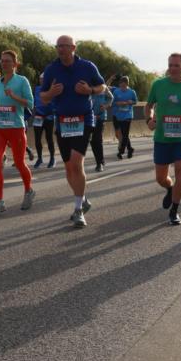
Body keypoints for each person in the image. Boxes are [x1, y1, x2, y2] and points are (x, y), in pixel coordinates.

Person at [39, 35, 105, 228]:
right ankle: (82, 198)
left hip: (84, 120)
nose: (61, 49)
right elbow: (43, 97)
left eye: (65, 46)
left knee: (77, 163)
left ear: (73, 47)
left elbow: (102, 87)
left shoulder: (87, 66)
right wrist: (51, 93)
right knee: (69, 168)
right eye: (58, 46)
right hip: (62, 122)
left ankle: (78, 210)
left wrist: (90, 91)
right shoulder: (52, 69)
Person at [144, 53, 181, 226]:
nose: (172, 69)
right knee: (161, 178)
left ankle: (175, 211)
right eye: (170, 65)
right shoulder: (158, 85)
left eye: (176, 66)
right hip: (162, 137)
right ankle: (169, 189)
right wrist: (149, 119)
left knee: (180, 172)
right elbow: (149, 106)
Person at [0, 50, 35, 214]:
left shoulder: (22, 81)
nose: (4, 63)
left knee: (19, 162)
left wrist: (14, 96)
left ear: (15, 64)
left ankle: (28, 190)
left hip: (16, 128)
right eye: (2, 61)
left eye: (7, 61)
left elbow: (30, 104)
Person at [31, 73, 56, 168]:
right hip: (38, 116)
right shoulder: (36, 89)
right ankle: (40, 158)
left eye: (43, 79)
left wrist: (50, 105)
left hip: (49, 116)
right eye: (40, 79)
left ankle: (52, 158)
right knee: (37, 139)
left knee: (49, 138)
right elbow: (34, 101)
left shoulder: (52, 89)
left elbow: (55, 103)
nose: (42, 81)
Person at [112, 76, 138, 159]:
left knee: (125, 134)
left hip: (128, 115)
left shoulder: (132, 92)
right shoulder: (116, 92)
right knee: (123, 134)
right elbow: (111, 102)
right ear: (119, 84)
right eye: (121, 85)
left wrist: (131, 102)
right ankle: (130, 149)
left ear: (127, 84)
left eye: (124, 85)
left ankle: (121, 151)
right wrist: (118, 103)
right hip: (118, 115)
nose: (122, 87)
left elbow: (135, 101)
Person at [91, 84, 114, 171]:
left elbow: (111, 98)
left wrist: (105, 106)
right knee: (92, 141)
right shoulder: (87, 86)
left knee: (97, 139)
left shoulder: (103, 87)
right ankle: (101, 159)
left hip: (100, 117)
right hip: (90, 118)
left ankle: (99, 163)